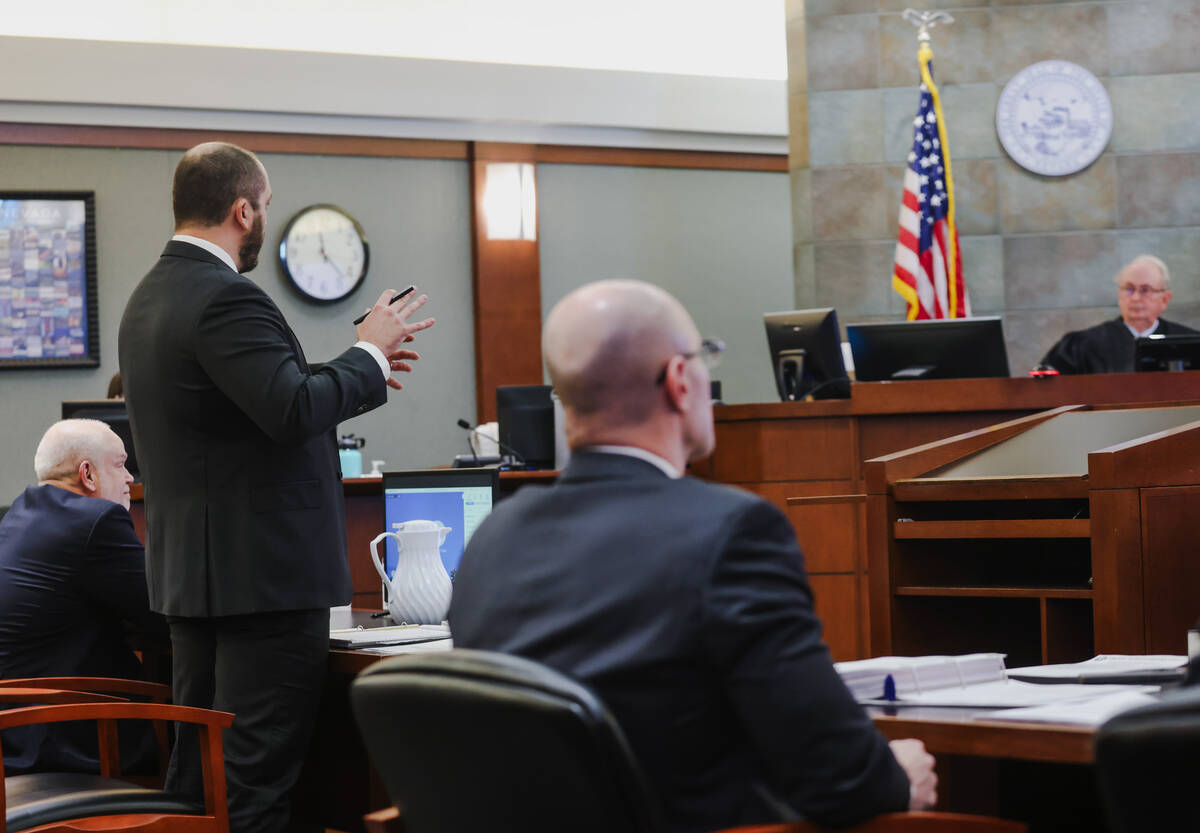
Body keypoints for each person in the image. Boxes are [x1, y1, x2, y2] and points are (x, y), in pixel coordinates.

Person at [448, 280, 936, 833]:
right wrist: (896, 775)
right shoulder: (733, 531)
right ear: (680, 381)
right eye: (703, 355)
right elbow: (840, 779)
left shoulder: (493, 534)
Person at [117, 142, 435, 833]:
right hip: (263, 584)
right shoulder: (226, 296)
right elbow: (290, 409)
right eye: (264, 206)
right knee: (253, 787)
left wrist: (357, 362)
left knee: (201, 785)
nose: (262, 217)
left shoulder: (150, 298)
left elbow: (252, 403)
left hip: (201, 584)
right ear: (243, 209)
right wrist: (369, 353)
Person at [0, 419, 164, 774]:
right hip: (71, 741)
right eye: (120, 465)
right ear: (87, 474)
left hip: (16, 737)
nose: (131, 480)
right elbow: (163, 616)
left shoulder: (20, 513)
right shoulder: (95, 520)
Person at [1040, 255, 1198, 374]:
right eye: (1129, 289)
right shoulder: (1080, 346)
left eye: (1145, 290)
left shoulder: (1192, 343)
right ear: (1119, 295)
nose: (1135, 297)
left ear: (1164, 299)